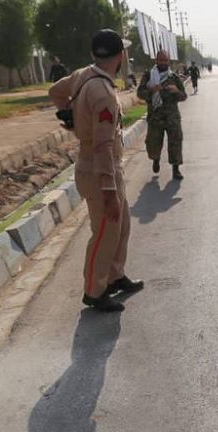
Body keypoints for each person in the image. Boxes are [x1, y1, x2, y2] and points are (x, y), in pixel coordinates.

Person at [48, 29, 144, 312]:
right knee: (104, 232)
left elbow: (55, 92)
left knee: (120, 226)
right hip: (99, 169)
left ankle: (114, 275)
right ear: (121, 56)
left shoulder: (82, 75)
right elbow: (102, 146)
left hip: (102, 166)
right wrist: (109, 190)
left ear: (94, 54)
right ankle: (94, 290)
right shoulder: (102, 92)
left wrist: (71, 115)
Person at [137, 50, 188, 180]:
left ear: (169, 62)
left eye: (165, 60)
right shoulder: (149, 76)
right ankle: (156, 159)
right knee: (153, 143)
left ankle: (175, 169)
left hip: (172, 117)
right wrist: (152, 90)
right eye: (161, 60)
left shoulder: (174, 78)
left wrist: (176, 91)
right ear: (156, 61)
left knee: (175, 142)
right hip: (155, 117)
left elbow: (183, 96)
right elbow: (140, 93)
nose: (163, 63)